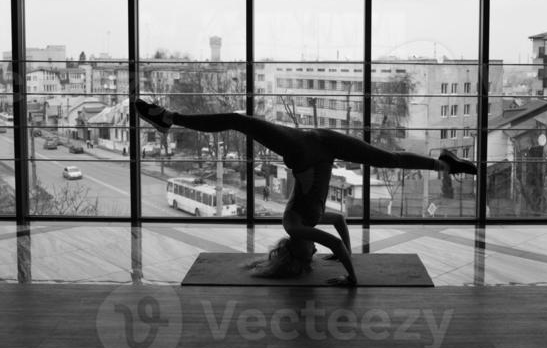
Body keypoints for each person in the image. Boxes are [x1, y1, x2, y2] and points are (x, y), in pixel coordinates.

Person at [135, 100, 477, 287]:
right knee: (384, 158)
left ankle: (168, 117)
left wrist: (351, 277)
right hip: (323, 144)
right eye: (316, 251)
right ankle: (443, 163)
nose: (314, 249)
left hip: (301, 150)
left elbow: (335, 243)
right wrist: (343, 255)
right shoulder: (310, 223)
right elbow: (340, 224)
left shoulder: (294, 226)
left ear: (297, 250)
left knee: (240, 120)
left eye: (309, 252)